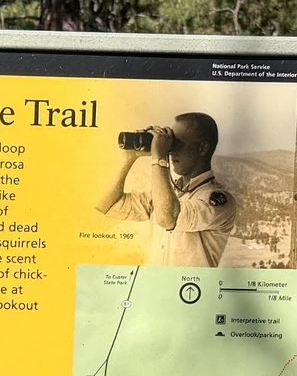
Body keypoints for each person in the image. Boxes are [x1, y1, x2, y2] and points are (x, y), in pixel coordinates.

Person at [95, 112, 235, 264]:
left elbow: (168, 219)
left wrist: (159, 157)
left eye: (177, 144)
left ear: (202, 148)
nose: (171, 150)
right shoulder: (169, 194)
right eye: (170, 144)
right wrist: (130, 157)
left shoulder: (219, 200)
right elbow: (106, 205)